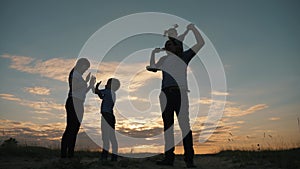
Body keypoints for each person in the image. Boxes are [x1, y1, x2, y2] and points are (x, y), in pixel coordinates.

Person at [146, 23, 205, 168]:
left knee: (185, 127)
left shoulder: (184, 57)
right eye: (166, 45)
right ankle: (169, 159)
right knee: (168, 127)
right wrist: (153, 53)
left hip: (180, 94)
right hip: (165, 95)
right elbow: (151, 67)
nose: (167, 46)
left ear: (178, 47)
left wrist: (193, 29)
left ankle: (189, 160)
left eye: (170, 44)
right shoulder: (164, 60)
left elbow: (201, 43)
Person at [61, 58, 96, 158]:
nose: (86, 70)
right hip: (73, 102)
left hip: (79, 102)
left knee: (75, 129)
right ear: (81, 65)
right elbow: (74, 87)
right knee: (70, 128)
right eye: (86, 67)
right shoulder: (74, 73)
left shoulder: (79, 76)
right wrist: (85, 82)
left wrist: (90, 85)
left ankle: (70, 154)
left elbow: (82, 92)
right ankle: (64, 155)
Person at [94, 78, 121, 163]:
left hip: (106, 116)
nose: (106, 84)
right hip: (110, 117)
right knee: (111, 137)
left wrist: (96, 86)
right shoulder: (112, 93)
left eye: (108, 83)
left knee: (105, 137)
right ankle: (114, 157)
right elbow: (101, 96)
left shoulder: (108, 91)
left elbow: (96, 92)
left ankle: (104, 156)